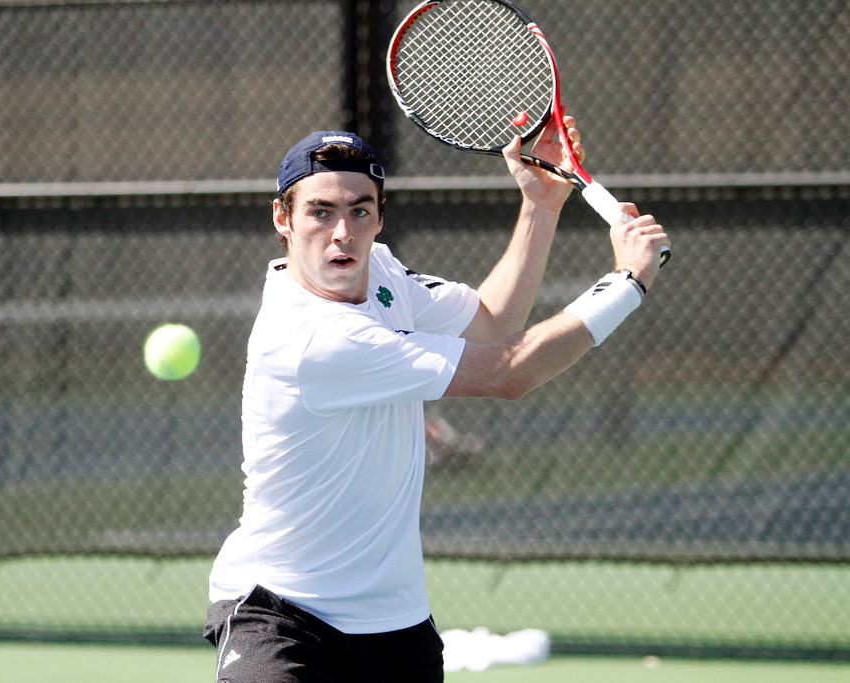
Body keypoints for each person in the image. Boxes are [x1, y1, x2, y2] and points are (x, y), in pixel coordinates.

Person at [204, 123, 669, 681]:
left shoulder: (380, 271)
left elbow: (491, 321)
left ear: (380, 217)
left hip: (395, 622)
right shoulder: (312, 338)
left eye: (359, 211)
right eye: (320, 212)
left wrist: (540, 207)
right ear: (283, 219)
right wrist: (627, 281)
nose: (342, 233)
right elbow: (508, 372)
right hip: (281, 612)